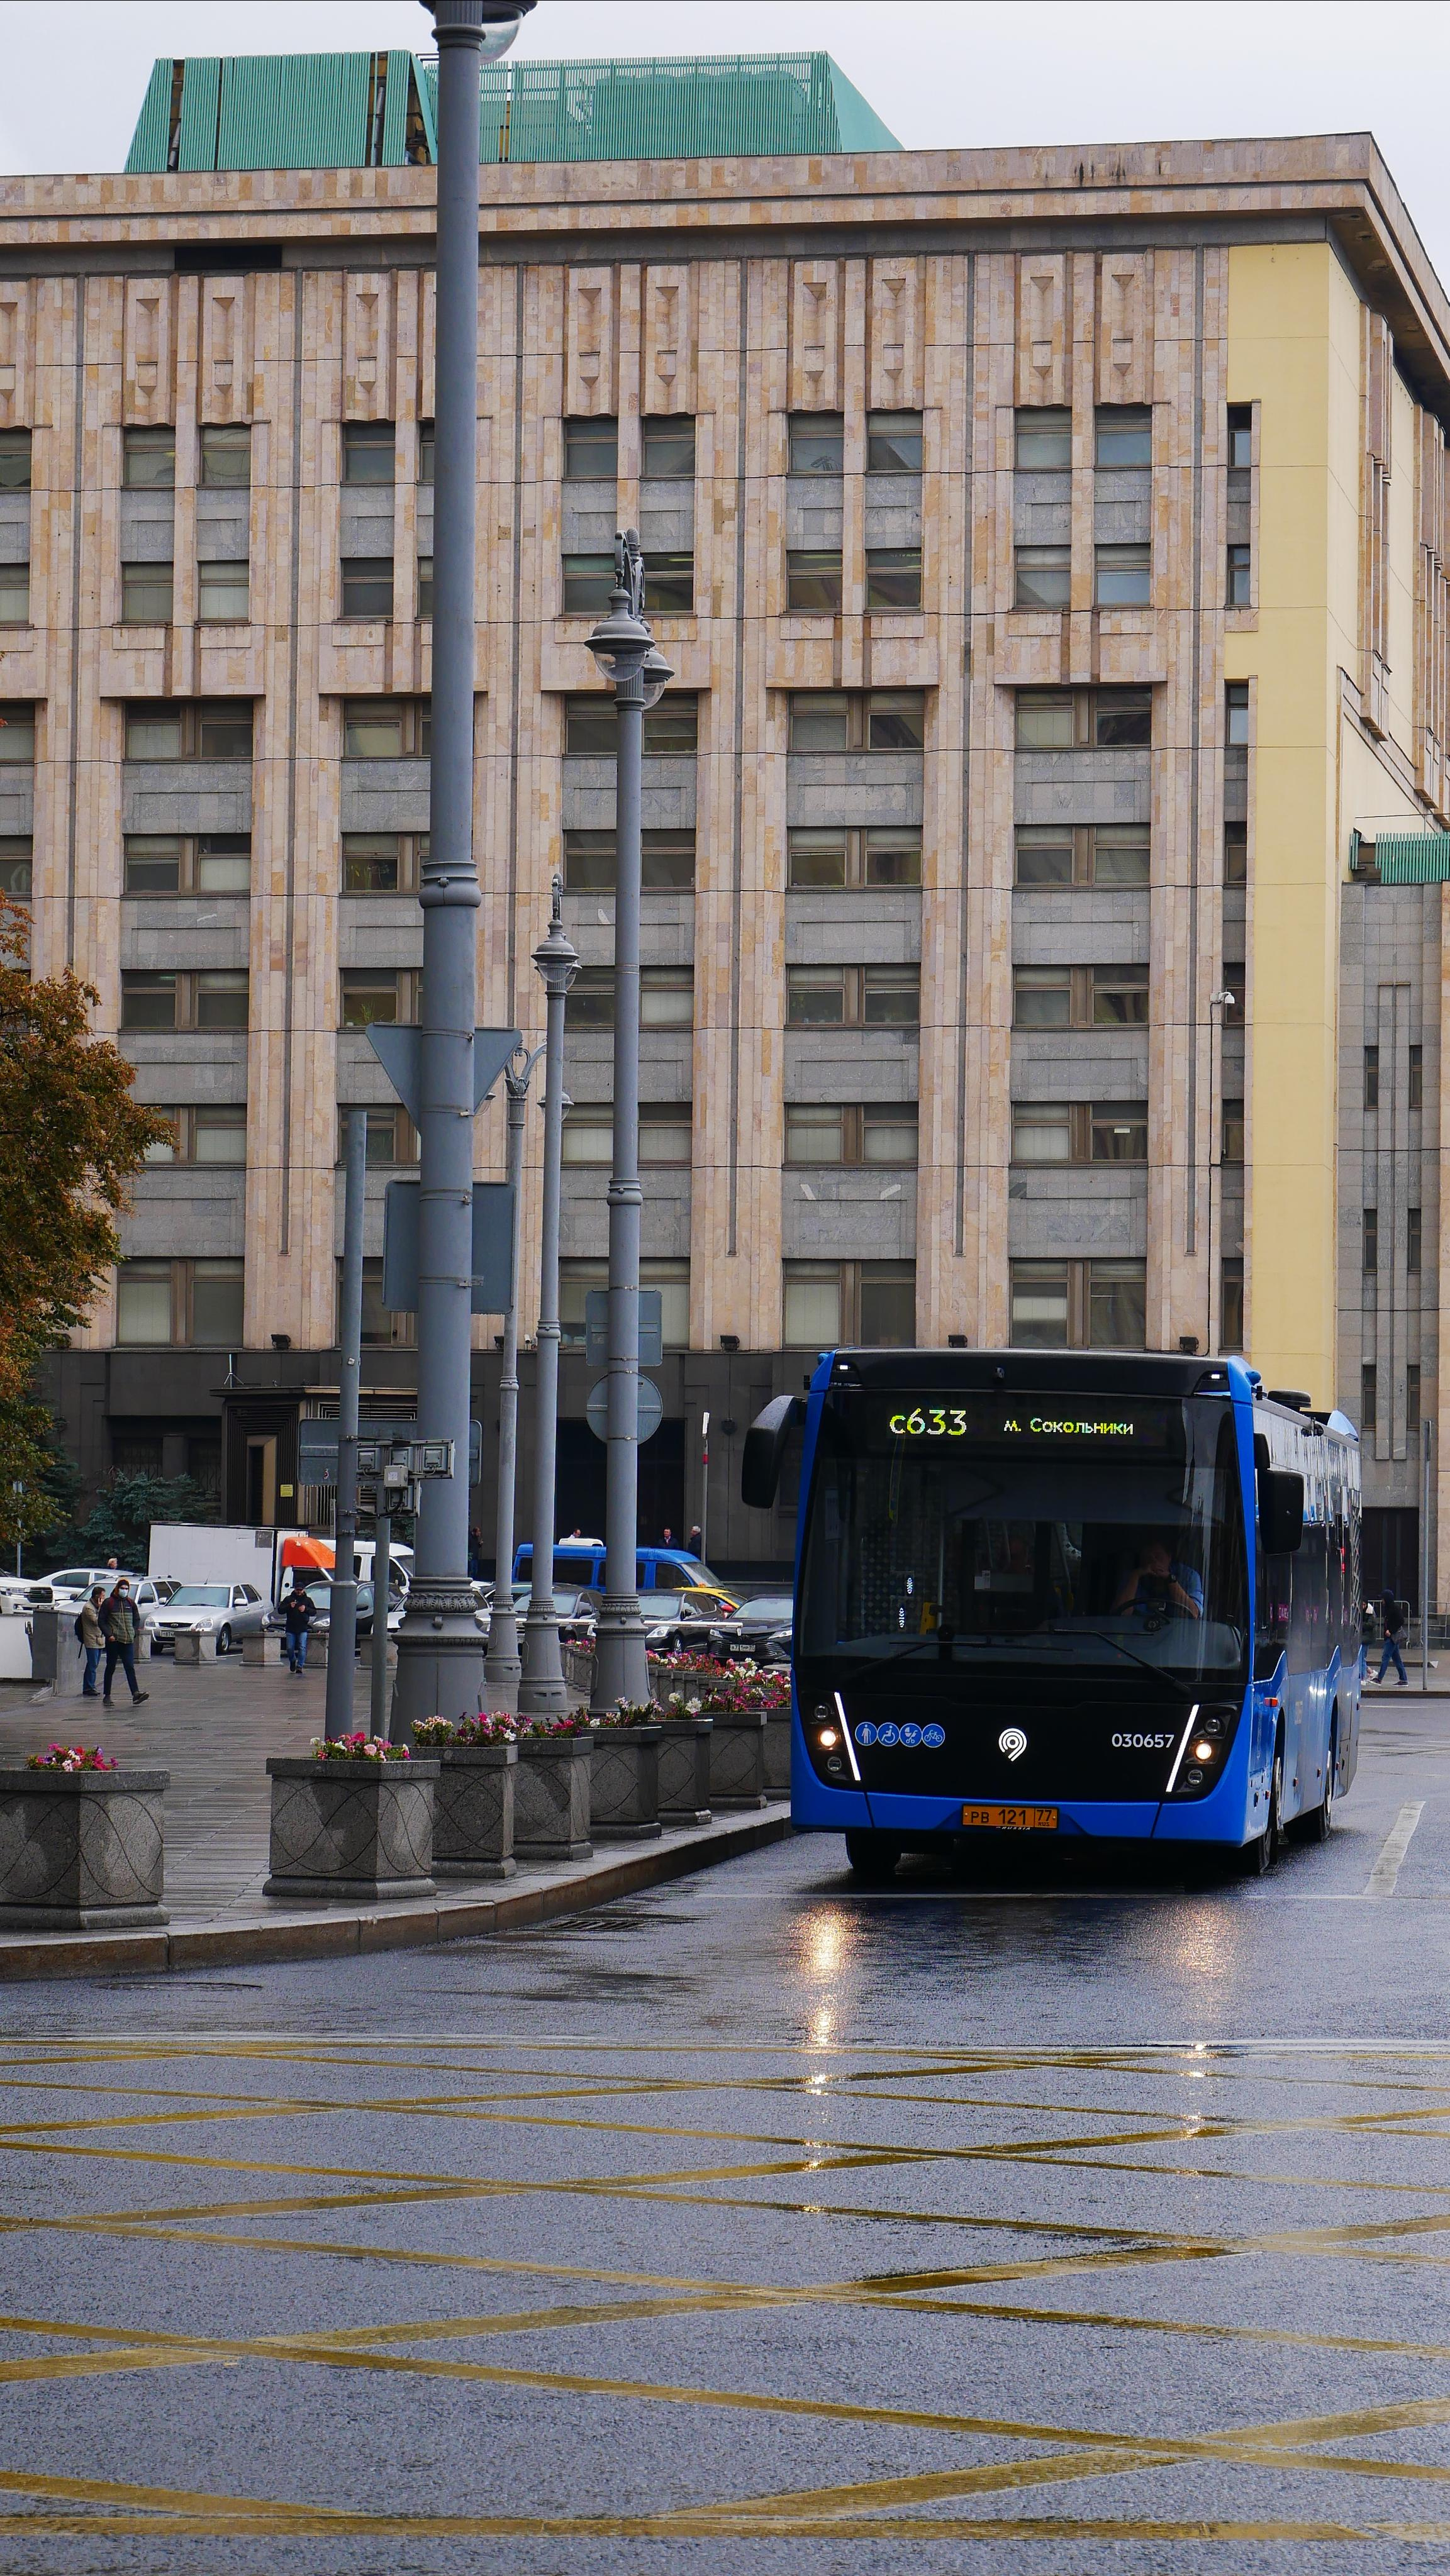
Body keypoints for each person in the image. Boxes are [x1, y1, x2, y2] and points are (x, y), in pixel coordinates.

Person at [1112, 1538, 1203, 1622]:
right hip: (1136, 1634)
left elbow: (1193, 1614)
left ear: (1169, 1557)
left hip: (1178, 1635)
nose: (1154, 1562)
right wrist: (1135, 1577)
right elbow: (1119, 1615)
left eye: (1158, 1557)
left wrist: (1170, 1580)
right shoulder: (1132, 1576)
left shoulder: (1189, 1576)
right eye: (1147, 1558)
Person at [100, 1580, 148, 1704]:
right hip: (114, 1641)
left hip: (128, 1640)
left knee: (130, 1667)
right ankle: (107, 1695)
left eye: (127, 1588)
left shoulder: (130, 1603)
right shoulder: (109, 1603)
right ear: (117, 1588)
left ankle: (136, 1694)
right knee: (111, 1667)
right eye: (122, 1588)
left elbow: (136, 1619)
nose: (124, 1590)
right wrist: (109, 1635)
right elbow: (101, 1621)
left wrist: (134, 1631)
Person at [1375, 1589, 1409, 1687]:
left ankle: (1379, 1678)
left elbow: (1401, 1621)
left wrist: (1391, 1630)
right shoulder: (1388, 1609)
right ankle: (1404, 1679)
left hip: (1392, 1637)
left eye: (1383, 1599)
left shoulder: (1395, 1608)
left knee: (1385, 1657)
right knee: (1397, 1659)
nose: (1382, 1601)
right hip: (1390, 1637)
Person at [281, 1582, 314, 1674]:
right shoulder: (289, 1599)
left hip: (303, 1628)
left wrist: (306, 1609)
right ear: (294, 1589)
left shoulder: (307, 1600)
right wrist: (289, 1606)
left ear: (304, 1590)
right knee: (290, 1648)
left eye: (301, 1590)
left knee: (302, 1647)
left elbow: (314, 1611)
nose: (299, 1592)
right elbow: (280, 1610)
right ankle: (292, 1660)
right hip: (291, 1628)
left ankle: (300, 1666)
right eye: (297, 1590)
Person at [77, 1586, 104, 1697]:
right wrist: (100, 1609)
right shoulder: (88, 1608)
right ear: (97, 1597)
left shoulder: (95, 1607)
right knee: (92, 1664)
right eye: (102, 1596)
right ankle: (89, 1687)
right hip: (92, 1639)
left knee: (94, 1664)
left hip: (99, 1639)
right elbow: (97, 1621)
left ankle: (89, 1686)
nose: (104, 1599)